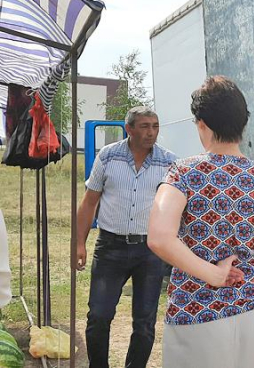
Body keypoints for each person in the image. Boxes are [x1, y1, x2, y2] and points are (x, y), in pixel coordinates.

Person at [147, 76, 254, 368]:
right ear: (242, 124)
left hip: (197, 314)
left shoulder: (183, 173)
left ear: (202, 124)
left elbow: (160, 237)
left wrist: (212, 275)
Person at [76, 106, 177, 368]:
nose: (151, 132)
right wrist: (79, 244)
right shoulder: (108, 157)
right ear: (129, 129)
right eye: (144, 126)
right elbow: (89, 202)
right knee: (99, 315)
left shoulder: (169, 162)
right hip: (111, 247)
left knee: (144, 322)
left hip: (150, 250)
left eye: (155, 126)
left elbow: (180, 208)